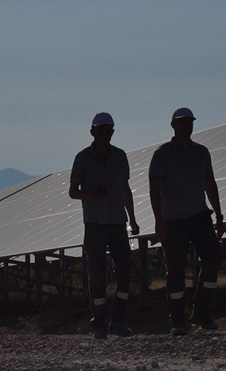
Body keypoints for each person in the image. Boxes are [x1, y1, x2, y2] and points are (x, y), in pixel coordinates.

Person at [148, 107, 224, 336]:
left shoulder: (201, 152)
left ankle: (202, 313)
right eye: (182, 122)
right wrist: (159, 220)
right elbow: (154, 188)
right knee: (175, 269)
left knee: (212, 258)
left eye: (189, 122)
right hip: (173, 219)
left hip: (200, 215)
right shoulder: (162, 154)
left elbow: (210, 183)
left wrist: (219, 216)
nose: (186, 126)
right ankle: (178, 321)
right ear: (173, 125)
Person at [69, 112, 140, 339]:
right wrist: (91, 195)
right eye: (100, 130)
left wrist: (133, 218)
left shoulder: (120, 157)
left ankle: (118, 320)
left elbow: (125, 189)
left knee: (125, 274)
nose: (104, 134)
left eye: (108, 130)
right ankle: (99, 323)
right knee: (97, 275)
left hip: (118, 224)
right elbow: (73, 191)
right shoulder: (82, 159)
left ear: (113, 132)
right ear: (92, 132)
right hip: (95, 225)